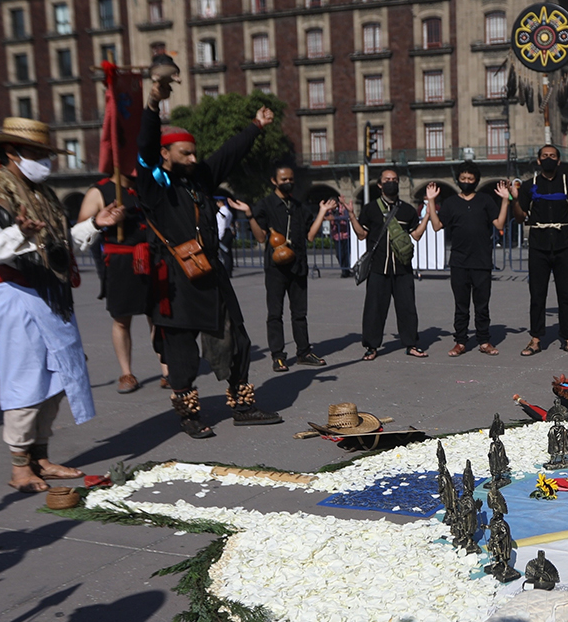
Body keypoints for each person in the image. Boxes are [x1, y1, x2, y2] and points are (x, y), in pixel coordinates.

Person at [134, 80, 282, 437]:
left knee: (237, 338)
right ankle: (189, 415)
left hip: (211, 272)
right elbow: (145, 148)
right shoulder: (153, 183)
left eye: (194, 153)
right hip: (176, 278)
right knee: (181, 351)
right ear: (165, 154)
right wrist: (152, 105)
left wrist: (256, 126)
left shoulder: (198, 178)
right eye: (185, 154)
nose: (193, 159)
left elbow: (228, 154)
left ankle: (243, 405)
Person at [0, 117, 103, 492]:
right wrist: (19, 232)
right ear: (11, 152)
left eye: (46, 154)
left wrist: (95, 224)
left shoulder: (43, 194)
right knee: (25, 379)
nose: (45, 161)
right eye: (36, 153)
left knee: (60, 375)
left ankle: (40, 457)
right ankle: (19, 467)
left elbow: (59, 243)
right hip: (14, 295)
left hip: (49, 295)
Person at [508, 144, 568, 355]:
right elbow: (520, 217)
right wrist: (515, 198)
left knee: (566, 295)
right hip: (538, 245)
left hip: (563, 244)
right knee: (537, 294)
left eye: (552, 156)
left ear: (558, 160)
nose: (549, 158)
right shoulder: (528, 185)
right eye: (545, 156)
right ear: (539, 160)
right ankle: (536, 339)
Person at [76, 172, 159, 393]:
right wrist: (103, 220)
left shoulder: (149, 185)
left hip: (152, 257)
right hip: (120, 261)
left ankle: (167, 368)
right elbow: (81, 229)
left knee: (157, 315)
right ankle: (126, 373)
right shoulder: (99, 190)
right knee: (121, 319)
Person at [249, 163, 331, 371]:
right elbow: (260, 237)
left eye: (291, 179)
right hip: (276, 268)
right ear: (274, 181)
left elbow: (310, 236)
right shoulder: (265, 205)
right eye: (284, 179)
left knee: (300, 313)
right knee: (275, 313)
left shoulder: (298, 206)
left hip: (298, 266)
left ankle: (304, 352)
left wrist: (322, 212)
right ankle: (278, 356)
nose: (288, 182)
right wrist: (250, 216)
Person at [350, 168, 435, 359]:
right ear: (380, 184)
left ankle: (411, 344)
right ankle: (371, 347)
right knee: (374, 309)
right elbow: (362, 235)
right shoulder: (370, 209)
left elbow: (416, 235)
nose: (391, 182)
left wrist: (427, 216)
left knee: (407, 308)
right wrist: (351, 216)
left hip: (402, 268)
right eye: (387, 179)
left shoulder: (407, 210)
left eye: (395, 180)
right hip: (378, 267)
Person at [428, 160, 510, 356]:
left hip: (481, 261)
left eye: (470, 179)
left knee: (482, 305)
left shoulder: (485, 200)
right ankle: (460, 342)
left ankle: (484, 341)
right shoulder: (450, 203)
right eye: (463, 178)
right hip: (459, 261)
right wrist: (431, 201)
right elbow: (437, 226)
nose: (466, 181)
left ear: (476, 180)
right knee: (461, 305)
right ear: (458, 179)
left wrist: (505, 200)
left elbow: (499, 224)